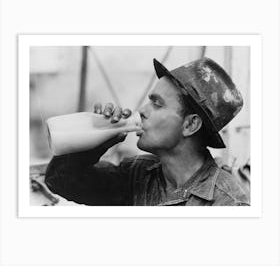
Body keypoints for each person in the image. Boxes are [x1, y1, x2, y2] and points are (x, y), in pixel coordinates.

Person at [45, 57, 250, 206]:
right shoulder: (138, 173)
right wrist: (95, 141)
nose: (142, 110)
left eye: (157, 104)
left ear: (190, 125)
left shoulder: (227, 204)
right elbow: (60, 182)